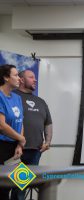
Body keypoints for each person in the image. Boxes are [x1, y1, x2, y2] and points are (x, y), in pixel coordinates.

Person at [11, 69, 53, 200]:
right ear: (21, 80)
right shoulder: (12, 97)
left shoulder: (41, 101)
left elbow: (48, 123)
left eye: (35, 77)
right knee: (8, 187)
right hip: (14, 150)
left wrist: (47, 142)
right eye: (31, 77)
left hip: (34, 151)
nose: (35, 80)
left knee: (21, 187)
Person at [0, 64, 25, 200]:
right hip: (1, 147)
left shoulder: (17, 98)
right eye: (15, 75)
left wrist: (19, 144)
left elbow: (20, 121)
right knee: (3, 191)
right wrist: (20, 139)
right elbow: (1, 126)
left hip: (14, 148)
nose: (19, 79)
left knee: (23, 182)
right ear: (5, 77)